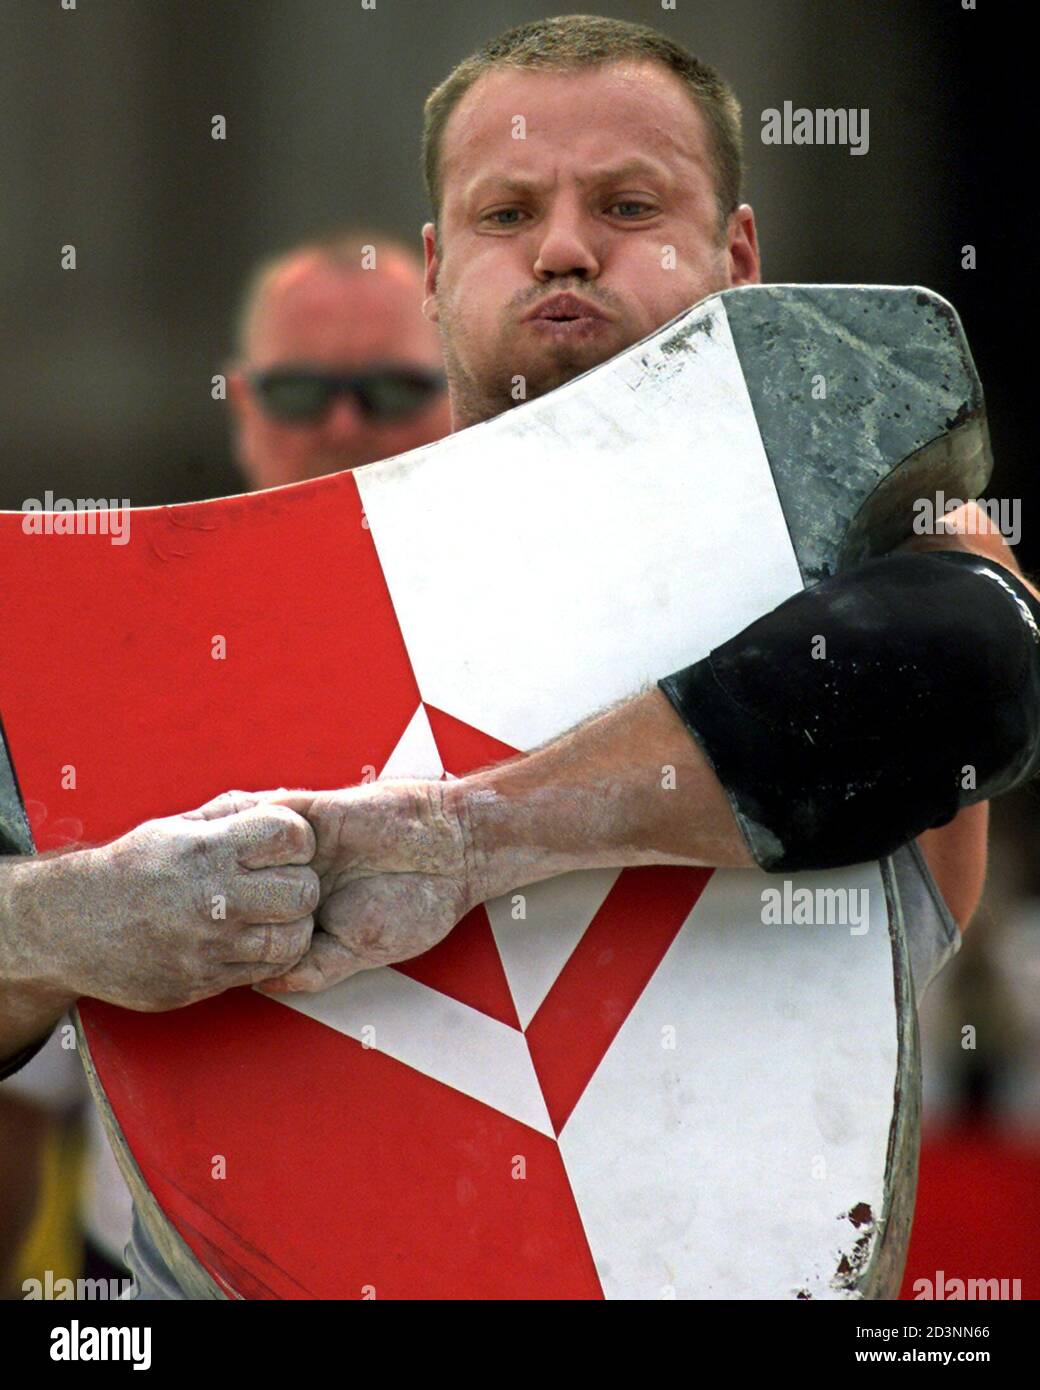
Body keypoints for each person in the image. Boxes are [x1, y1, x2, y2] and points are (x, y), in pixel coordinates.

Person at [3, 15, 1039, 1299]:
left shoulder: (849, 525)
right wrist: (59, 925)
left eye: (626, 203)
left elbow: (959, 669)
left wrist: (462, 838)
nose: (561, 247)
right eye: (505, 214)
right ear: (434, 268)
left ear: (738, 256)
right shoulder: (256, 607)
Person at [0, 232, 452, 1297]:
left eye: (391, 386)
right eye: (301, 389)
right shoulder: (103, 680)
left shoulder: (572, 644)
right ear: (244, 407)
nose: (344, 423)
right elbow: (20, 1099)